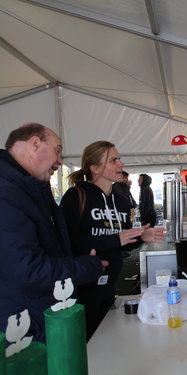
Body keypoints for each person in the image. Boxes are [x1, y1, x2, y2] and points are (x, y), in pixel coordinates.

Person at [0, 123, 106, 342]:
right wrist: (87, 266)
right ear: (35, 144)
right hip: (21, 332)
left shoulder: (31, 190)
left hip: (41, 318)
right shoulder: (7, 194)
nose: (60, 160)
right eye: (57, 150)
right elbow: (29, 269)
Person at [60, 141, 164, 340]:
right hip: (82, 290)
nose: (121, 164)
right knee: (86, 345)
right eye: (113, 160)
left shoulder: (121, 201)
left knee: (107, 342)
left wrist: (140, 237)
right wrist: (113, 239)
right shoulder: (75, 196)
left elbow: (121, 241)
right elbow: (69, 243)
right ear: (95, 167)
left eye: (119, 159)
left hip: (110, 286)